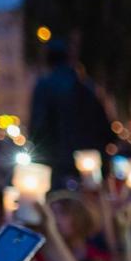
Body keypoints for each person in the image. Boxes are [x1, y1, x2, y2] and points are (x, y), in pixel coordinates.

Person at [28, 39, 114, 187]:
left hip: (57, 166)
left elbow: (38, 127)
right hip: (88, 164)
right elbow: (105, 128)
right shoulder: (87, 88)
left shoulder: (44, 87)